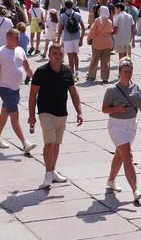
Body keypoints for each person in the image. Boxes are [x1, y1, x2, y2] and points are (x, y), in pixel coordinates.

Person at [28, 43, 84, 189]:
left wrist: (79, 111)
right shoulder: (41, 72)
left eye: (60, 54)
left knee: (57, 144)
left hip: (62, 113)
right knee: (49, 143)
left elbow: (73, 93)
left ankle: (52, 171)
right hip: (45, 112)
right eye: (55, 54)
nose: (58, 57)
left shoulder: (66, 71)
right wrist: (31, 115)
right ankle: (48, 174)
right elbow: (33, 94)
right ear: (49, 55)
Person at [102, 58, 141, 202]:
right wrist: (117, 108)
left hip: (131, 125)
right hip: (116, 126)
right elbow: (104, 109)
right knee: (128, 156)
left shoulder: (136, 87)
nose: (128, 74)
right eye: (125, 72)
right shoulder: (111, 90)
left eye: (130, 72)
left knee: (120, 155)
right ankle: (135, 190)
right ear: (119, 72)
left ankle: (111, 180)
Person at [0, 29, 36, 153]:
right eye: (16, 38)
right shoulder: (0, 52)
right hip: (5, 89)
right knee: (14, 116)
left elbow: (27, 67)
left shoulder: (20, 50)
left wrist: (37, 80)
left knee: (4, 114)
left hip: (16, 89)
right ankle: (24, 143)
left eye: (19, 38)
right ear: (8, 38)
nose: (19, 40)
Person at [56, 0, 85, 80]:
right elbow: (83, 27)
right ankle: (77, 73)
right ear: (73, 5)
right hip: (76, 37)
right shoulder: (78, 15)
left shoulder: (62, 16)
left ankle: (71, 74)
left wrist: (58, 38)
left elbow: (60, 28)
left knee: (70, 57)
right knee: (76, 55)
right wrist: (81, 38)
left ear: (65, 6)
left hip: (67, 38)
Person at [87, 6, 114, 83]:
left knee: (95, 59)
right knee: (106, 61)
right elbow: (111, 31)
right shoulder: (109, 21)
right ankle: (105, 77)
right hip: (108, 43)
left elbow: (92, 31)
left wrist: (89, 39)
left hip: (97, 43)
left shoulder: (97, 20)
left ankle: (92, 75)